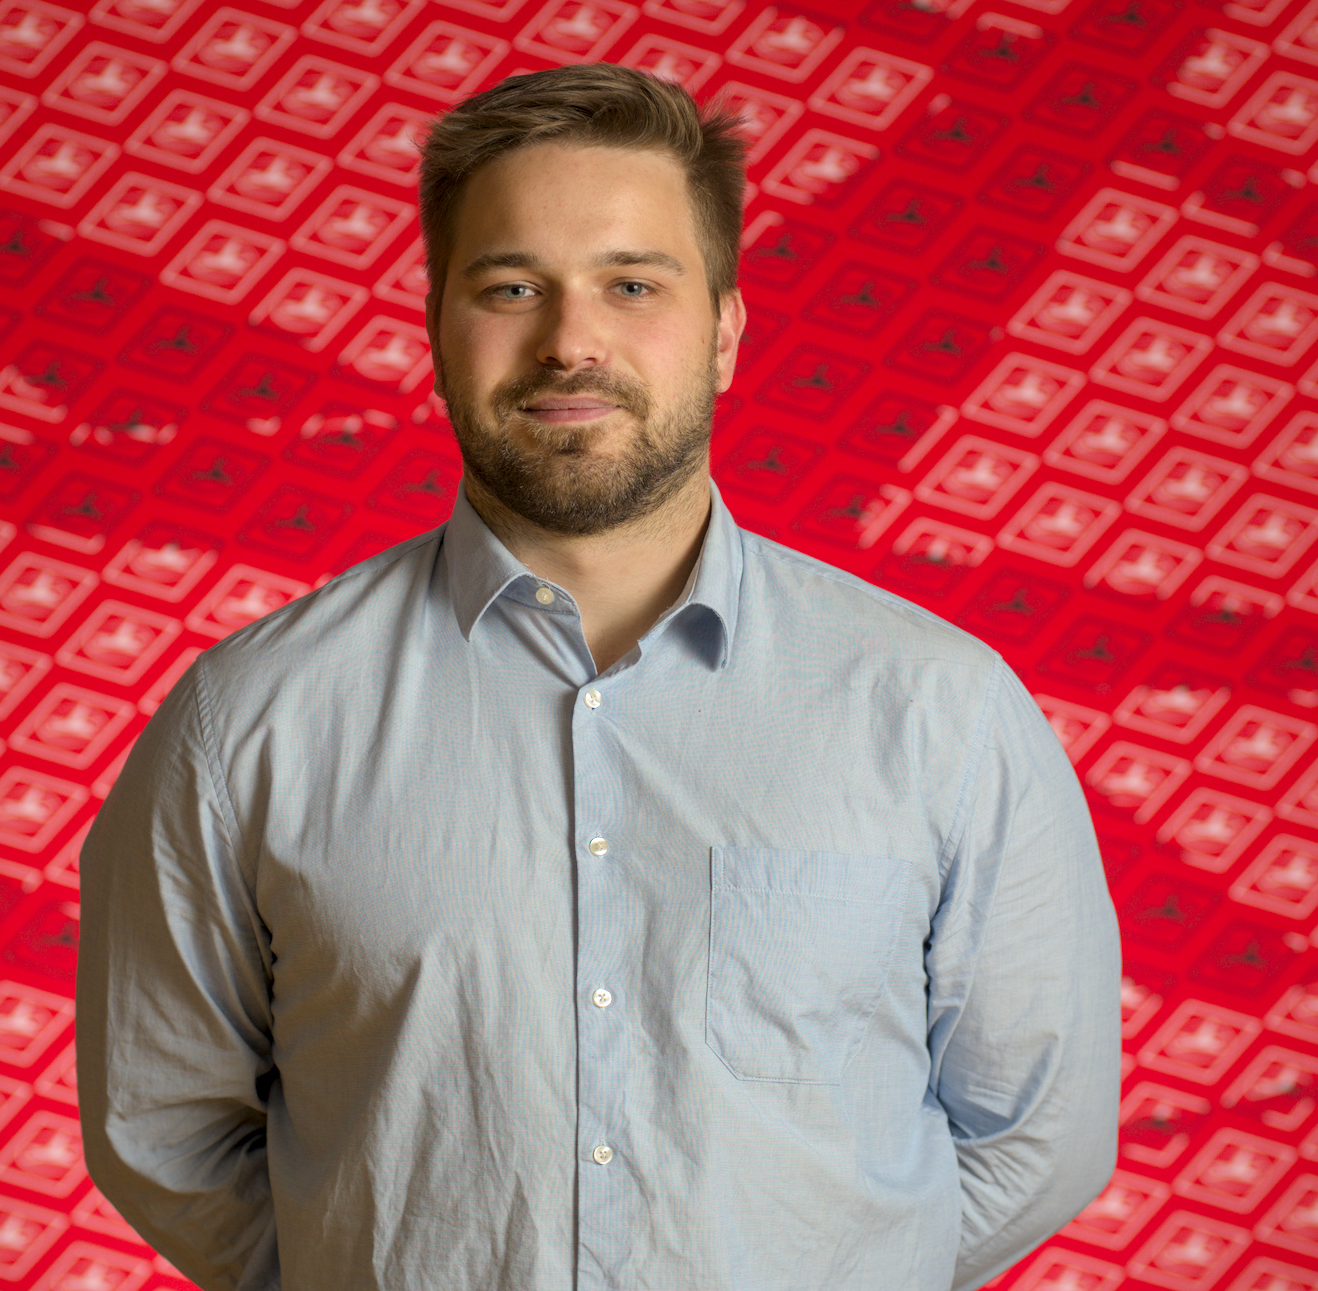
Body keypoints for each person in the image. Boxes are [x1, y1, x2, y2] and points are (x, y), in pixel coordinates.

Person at [77, 63, 1121, 1291]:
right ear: (436, 329)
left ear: (724, 333)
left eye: (633, 285)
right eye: (511, 287)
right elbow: (165, 1131)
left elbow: (1036, 1133)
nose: (570, 340)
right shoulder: (248, 720)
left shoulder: (940, 710)